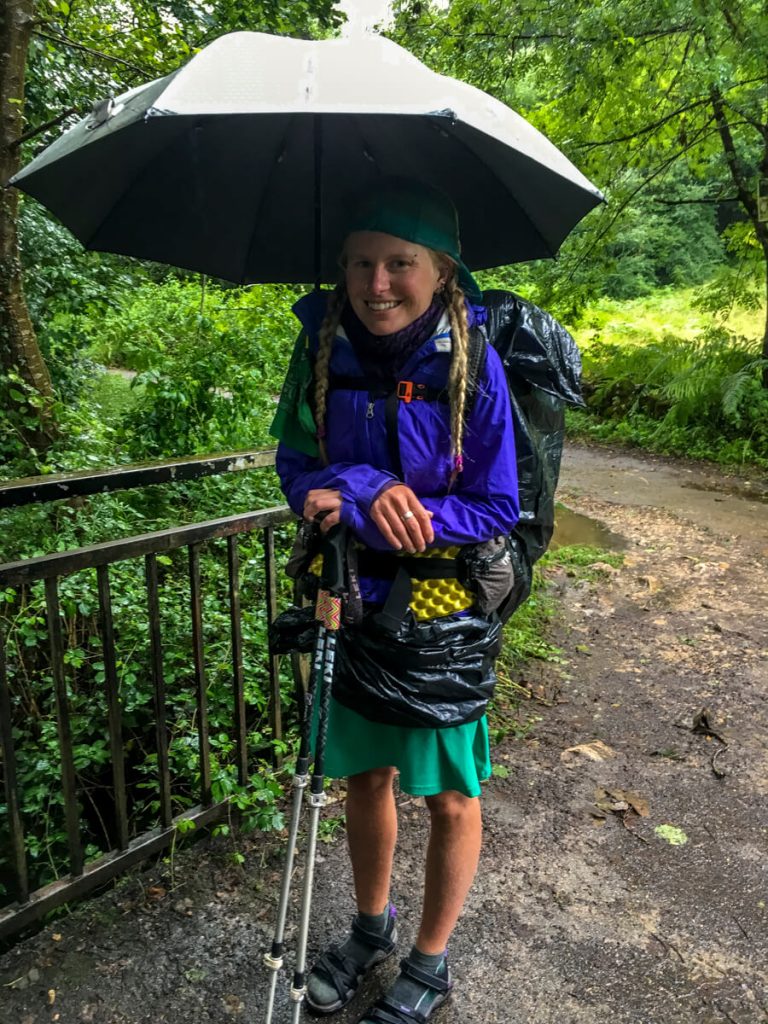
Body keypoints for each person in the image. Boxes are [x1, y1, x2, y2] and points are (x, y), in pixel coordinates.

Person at [271, 178, 519, 1024]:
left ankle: (431, 958)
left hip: (442, 597)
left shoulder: (473, 363)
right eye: (360, 263)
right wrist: (357, 486)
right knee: (364, 777)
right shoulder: (318, 350)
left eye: (400, 264)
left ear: (443, 271)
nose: (377, 285)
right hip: (351, 597)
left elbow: (494, 507)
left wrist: (392, 514)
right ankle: (372, 929)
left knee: (451, 794)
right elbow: (296, 471)